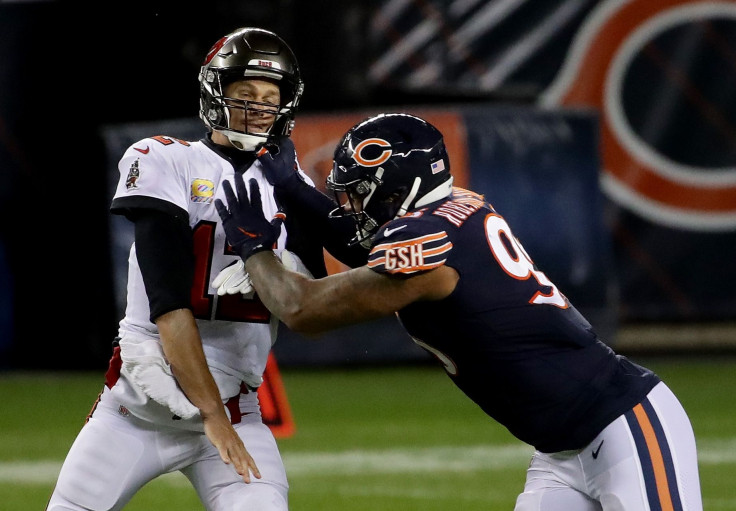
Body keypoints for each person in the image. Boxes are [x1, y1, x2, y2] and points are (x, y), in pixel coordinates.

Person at [214, 112, 704, 511]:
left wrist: (254, 248)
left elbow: (304, 309)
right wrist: (295, 190)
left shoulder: (429, 244)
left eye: (360, 193)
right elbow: (367, 253)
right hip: (559, 453)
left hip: (621, 424)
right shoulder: (453, 211)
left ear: (394, 187)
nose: (353, 208)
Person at [46, 27, 361, 511]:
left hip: (239, 410)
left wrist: (290, 216)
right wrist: (211, 414)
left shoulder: (287, 179)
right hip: (138, 410)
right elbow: (168, 303)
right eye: (244, 94)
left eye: (268, 97)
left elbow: (326, 291)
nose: (258, 108)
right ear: (216, 94)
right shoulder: (166, 159)